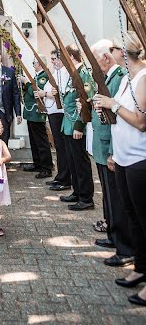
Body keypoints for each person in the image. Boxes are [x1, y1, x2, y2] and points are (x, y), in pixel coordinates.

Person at [94, 32, 146, 307]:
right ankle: (140, 267)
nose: (112, 56)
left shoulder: (143, 78)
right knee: (133, 216)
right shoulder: (126, 79)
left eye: (116, 51)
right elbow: (121, 117)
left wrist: (112, 103)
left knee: (144, 219)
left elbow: (140, 122)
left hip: (140, 158)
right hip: (124, 156)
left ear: (125, 54)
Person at [86, 39, 134, 267]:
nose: (94, 66)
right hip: (102, 142)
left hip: (110, 144)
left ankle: (124, 246)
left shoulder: (118, 78)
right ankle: (114, 235)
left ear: (105, 57)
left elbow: (118, 115)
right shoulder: (108, 78)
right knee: (108, 194)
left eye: (95, 60)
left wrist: (114, 150)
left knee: (116, 197)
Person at [59, 44, 95, 211]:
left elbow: (86, 100)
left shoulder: (83, 74)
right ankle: (77, 191)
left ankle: (86, 197)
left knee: (80, 161)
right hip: (68, 123)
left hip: (76, 124)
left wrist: (79, 126)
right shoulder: (73, 74)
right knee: (72, 160)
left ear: (71, 57)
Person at [37, 49, 71, 191]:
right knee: (59, 146)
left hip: (59, 113)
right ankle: (60, 176)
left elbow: (61, 93)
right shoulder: (57, 73)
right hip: (53, 112)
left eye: (53, 59)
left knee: (62, 147)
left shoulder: (65, 73)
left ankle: (65, 178)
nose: (52, 62)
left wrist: (45, 93)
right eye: (51, 59)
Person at [21, 56, 53, 178]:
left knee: (41, 142)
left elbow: (35, 92)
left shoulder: (43, 76)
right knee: (34, 140)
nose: (33, 65)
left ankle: (46, 167)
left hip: (37, 112)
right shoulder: (37, 75)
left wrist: (26, 82)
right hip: (32, 113)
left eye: (34, 63)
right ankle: (38, 163)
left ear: (39, 63)